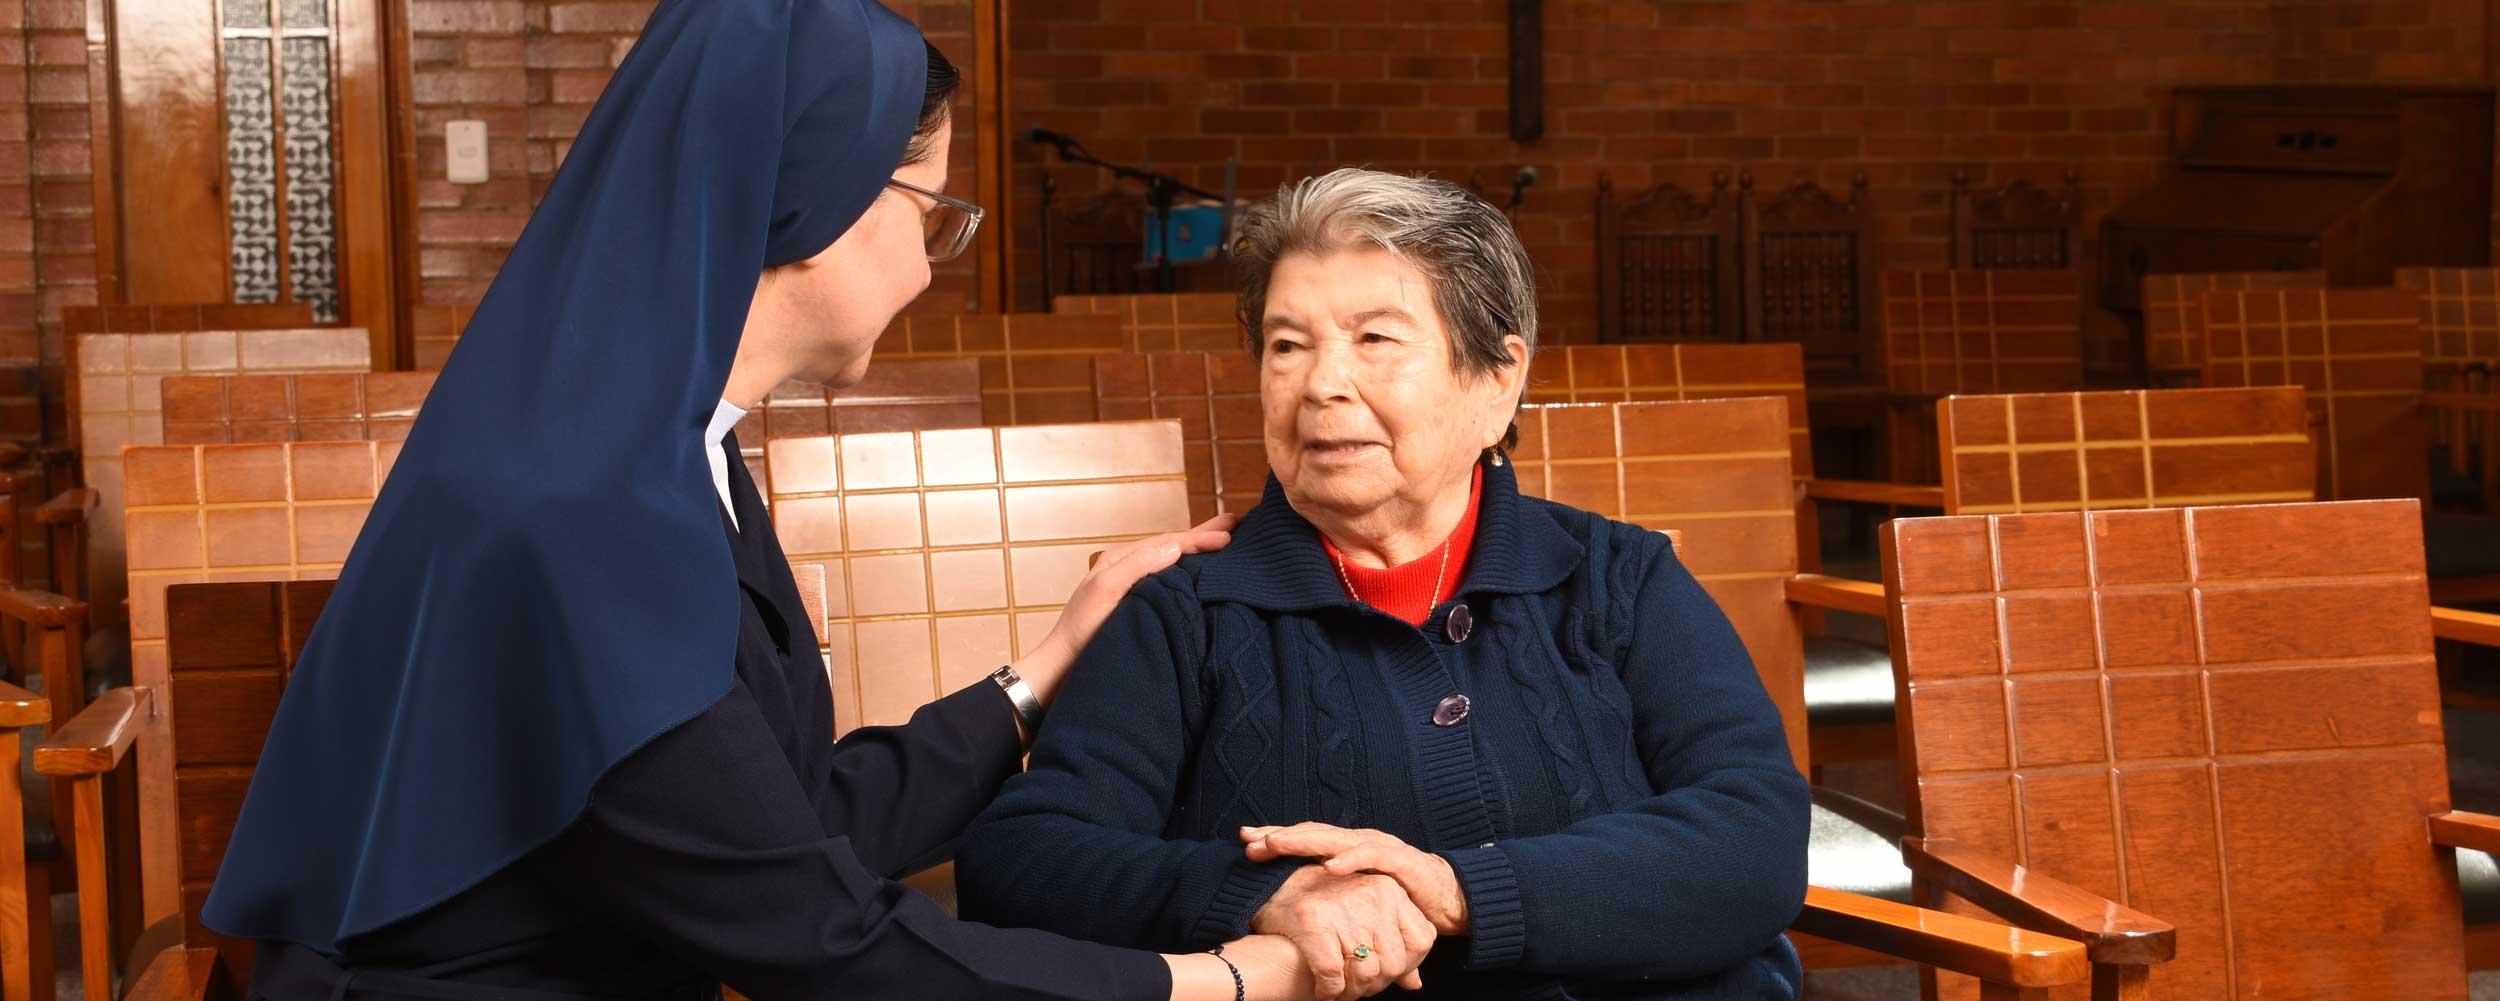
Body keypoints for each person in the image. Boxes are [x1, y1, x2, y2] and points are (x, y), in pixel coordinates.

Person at [200, 2, 1312, 999]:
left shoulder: (663, 447)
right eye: (929, 210)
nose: (931, 269)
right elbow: (824, 940)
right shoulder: (585, 519)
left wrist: (1039, 673)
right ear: (815, 187)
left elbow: (781, 823)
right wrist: (1221, 977)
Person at [957, 169, 1812, 1001]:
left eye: (1375, 339)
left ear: (1496, 379)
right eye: (1288, 345)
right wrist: (1263, 893)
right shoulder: (1186, 612)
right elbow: (1022, 862)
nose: (1323, 384)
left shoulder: (1618, 579)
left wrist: (1459, 889)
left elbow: (1757, 837)